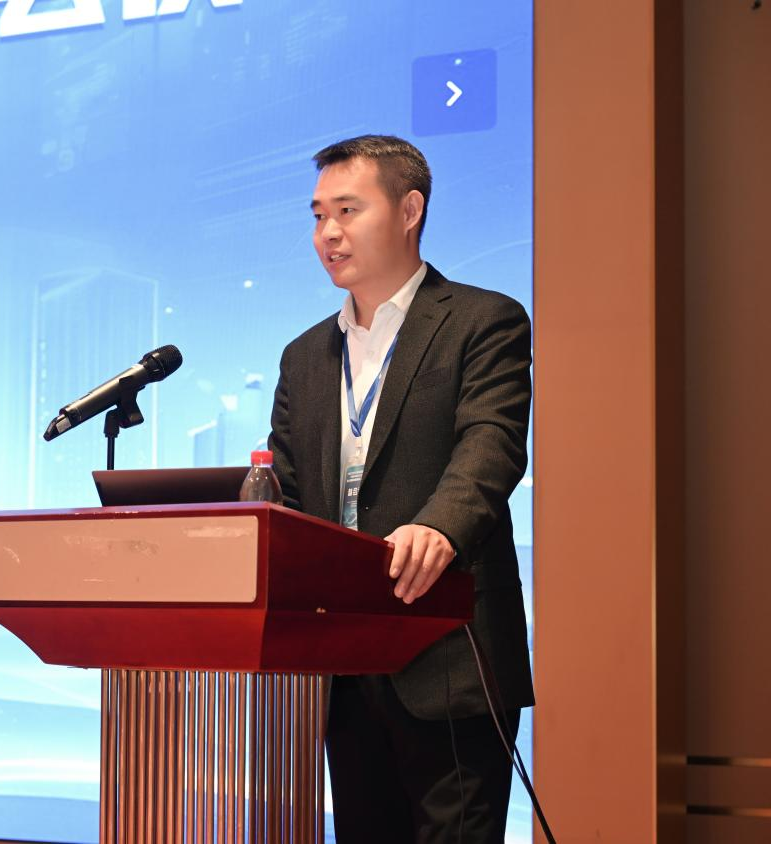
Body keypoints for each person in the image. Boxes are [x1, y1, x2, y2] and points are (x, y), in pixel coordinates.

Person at [267, 135, 534, 843]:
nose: (327, 233)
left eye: (347, 210)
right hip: (344, 662)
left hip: (448, 651)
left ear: (409, 210)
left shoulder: (481, 321)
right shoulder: (304, 356)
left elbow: (491, 444)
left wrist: (439, 526)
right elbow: (288, 492)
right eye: (317, 215)